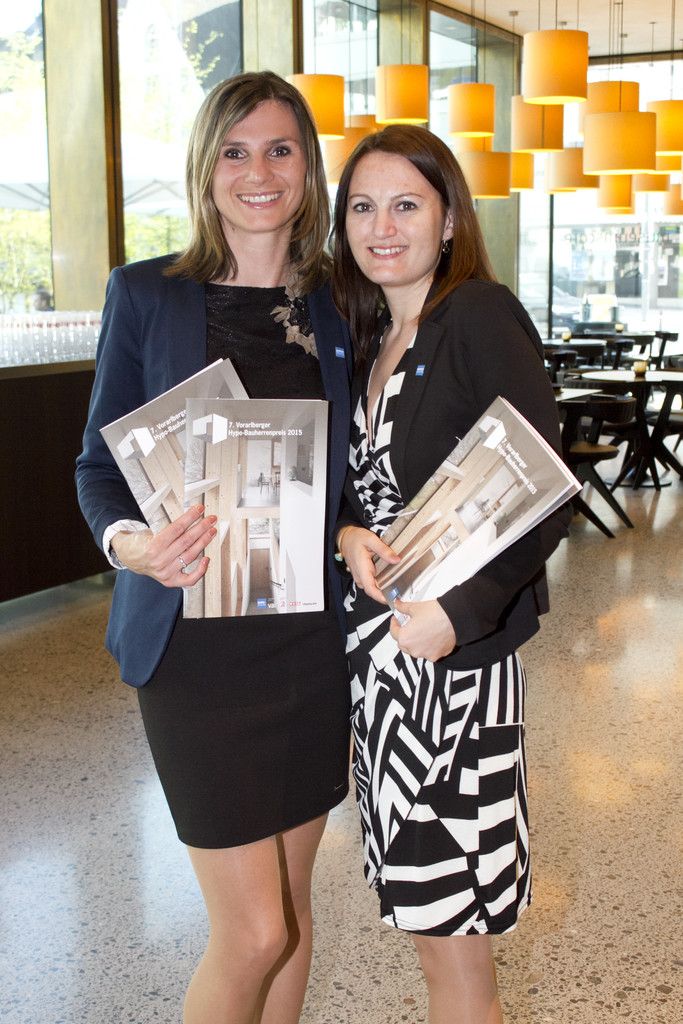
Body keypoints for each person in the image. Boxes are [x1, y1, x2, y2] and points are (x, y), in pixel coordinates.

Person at [76, 72, 352, 1024]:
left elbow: (356, 475)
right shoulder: (146, 294)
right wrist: (133, 545)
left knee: (294, 912)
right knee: (253, 933)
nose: (259, 171)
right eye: (236, 151)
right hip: (194, 648)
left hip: (308, 642)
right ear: (206, 167)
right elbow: (96, 466)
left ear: (307, 169)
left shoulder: (339, 306)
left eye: (280, 149)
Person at [331, 125, 572, 1024]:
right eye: (362, 206)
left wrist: (460, 613)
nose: (381, 226)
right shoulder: (373, 335)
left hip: (453, 671)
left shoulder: (474, 313)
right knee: (425, 924)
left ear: (446, 219)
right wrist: (351, 532)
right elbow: (368, 492)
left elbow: (547, 488)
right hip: (382, 670)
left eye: (405, 204)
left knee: (455, 937)